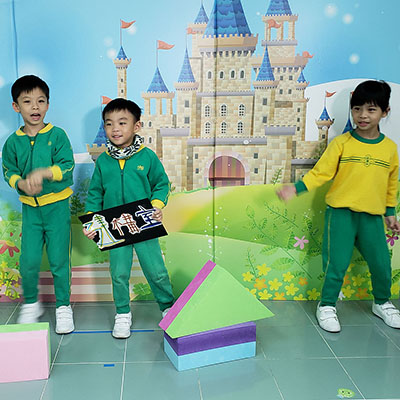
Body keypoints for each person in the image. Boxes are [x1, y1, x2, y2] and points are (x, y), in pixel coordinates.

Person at [277, 80, 400, 332]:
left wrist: (390, 213)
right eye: (357, 109)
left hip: (372, 217)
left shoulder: (389, 148)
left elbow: (391, 183)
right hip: (341, 214)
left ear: (385, 112)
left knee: (380, 263)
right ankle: (327, 305)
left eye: (371, 109)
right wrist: (296, 188)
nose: (363, 115)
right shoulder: (342, 143)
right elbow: (320, 173)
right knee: (336, 263)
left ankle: (382, 303)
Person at [83, 98, 174, 339]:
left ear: (137, 126)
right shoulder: (103, 161)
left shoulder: (147, 157)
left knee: (156, 270)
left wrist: (157, 205)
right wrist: (91, 221)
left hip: (144, 220)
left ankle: (168, 308)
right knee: (119, 273)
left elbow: (162, 184)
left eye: (122, 123)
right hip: (114, 225)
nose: (115, 129)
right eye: (109, 123)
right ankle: (122, 313)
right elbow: (95, 194)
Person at [2, 75, 75, 334]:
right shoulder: (12, 142)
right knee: (29, 261)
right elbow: (8, 170)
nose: (35, 107)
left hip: (57, 208)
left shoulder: (57, 135)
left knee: (59, 260)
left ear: (47, 104)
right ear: (16, 106)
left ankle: (63, 306)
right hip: (30, 211)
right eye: (27, 101)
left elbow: (68, 166)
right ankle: (31, 303)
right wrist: (21, 184)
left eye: (41, 101)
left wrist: (45, 173)